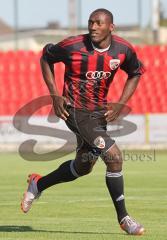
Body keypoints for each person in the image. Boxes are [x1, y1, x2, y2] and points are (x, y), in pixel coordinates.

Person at [21, 8, 145, 235]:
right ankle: (124, 218)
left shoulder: (123, 50)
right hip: (75, 111)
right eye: (90, 22)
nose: (93, 27)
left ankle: (37, 185)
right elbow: (46, 57)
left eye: (99, 23)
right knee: (114, 157)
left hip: (99, 114)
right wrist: (55, 94)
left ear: (111, 27)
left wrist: (120, 102)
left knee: (83, 167)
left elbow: (136, 72)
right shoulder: (73, 46)